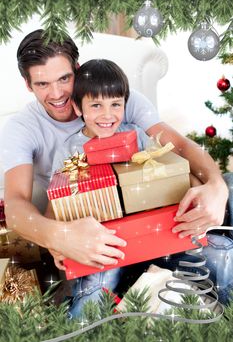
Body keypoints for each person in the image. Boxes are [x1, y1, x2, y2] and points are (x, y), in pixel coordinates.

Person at [0, 29, 230, 302]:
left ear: (78, 68)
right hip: (98, 231)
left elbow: (178, 147)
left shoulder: (118, 99)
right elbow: (15, 205)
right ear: (28, 85)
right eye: (42, 84)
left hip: (151, 217)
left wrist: (215, 187)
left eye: (64, 78)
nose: (57, 93)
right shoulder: (22, 128)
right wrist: (57, 237)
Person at [48, 58, 152, 317]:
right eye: (96, 105)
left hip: (145, 232)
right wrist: (55, 242)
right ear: (77, 107)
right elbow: (55, 203)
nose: (107, 115)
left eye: (115, 104)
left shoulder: (137, 135)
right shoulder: (70, 148)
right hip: (101, 243)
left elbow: (163, 175)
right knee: (98, 285)